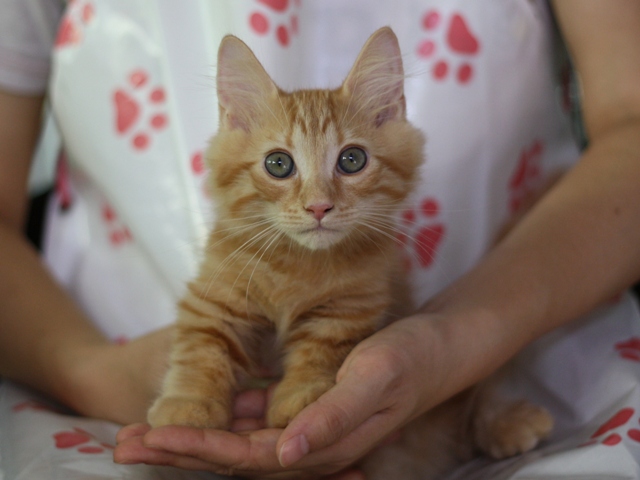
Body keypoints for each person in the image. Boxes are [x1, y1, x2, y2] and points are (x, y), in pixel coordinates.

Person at [1, 1, 640, 479]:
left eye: (350, 162)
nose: (318, 201)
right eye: (281, 166)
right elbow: (211, 318)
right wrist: (90, 371)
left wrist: (459, 339)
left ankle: (477, 412)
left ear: (392, 121)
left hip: (506, 349)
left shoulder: (369, 255)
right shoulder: (236, 248)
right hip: (101, 386)